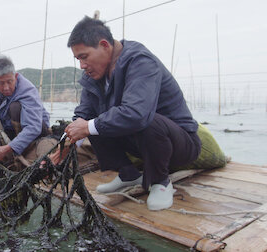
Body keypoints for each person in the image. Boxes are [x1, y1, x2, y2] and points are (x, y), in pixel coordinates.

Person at [62, 16, 201, 211]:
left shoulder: (140, 61)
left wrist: (87, 126)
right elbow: (83, 115)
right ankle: (129, 174)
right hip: (140, 142)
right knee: (90, 124)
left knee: (143, 119)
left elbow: (137, 114)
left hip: (179, 143)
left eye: (84, 57)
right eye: (78, 59)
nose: (82, 66)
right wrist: (67, 143)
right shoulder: (94, 75)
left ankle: (161, 182)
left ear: (104, 45)